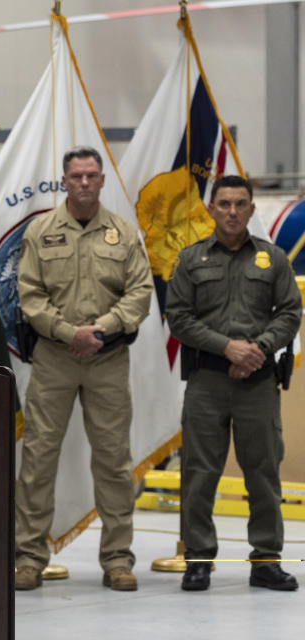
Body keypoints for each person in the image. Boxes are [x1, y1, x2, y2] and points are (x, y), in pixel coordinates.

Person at [14, 146, 153, 592]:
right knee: (37, 459)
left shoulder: (124, 233)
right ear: (64, 180)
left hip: (108, 359)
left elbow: (140, 292)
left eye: (92, 175)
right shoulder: (41, 231)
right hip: (55, 359)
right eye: (77, 176)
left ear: (102, 180)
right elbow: (29, 294)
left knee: (114, 462)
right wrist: (66, 331)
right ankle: (29, 557)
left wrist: (103, 329)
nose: (85, 183)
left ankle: (117, 560)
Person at [166, 175, 301, 592]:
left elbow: (290, 312)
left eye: (240, 204)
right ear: (211, 209)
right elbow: (178, 317)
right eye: (224, 204)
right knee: (199, 472)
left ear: (252, 208)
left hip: (258, 382)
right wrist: (228, 348)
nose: (232, 212)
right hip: (207, 379)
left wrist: (257, 349)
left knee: (263, 472)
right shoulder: (191, 260)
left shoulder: (273, 259)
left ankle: (265, 560)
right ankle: (200, 559)